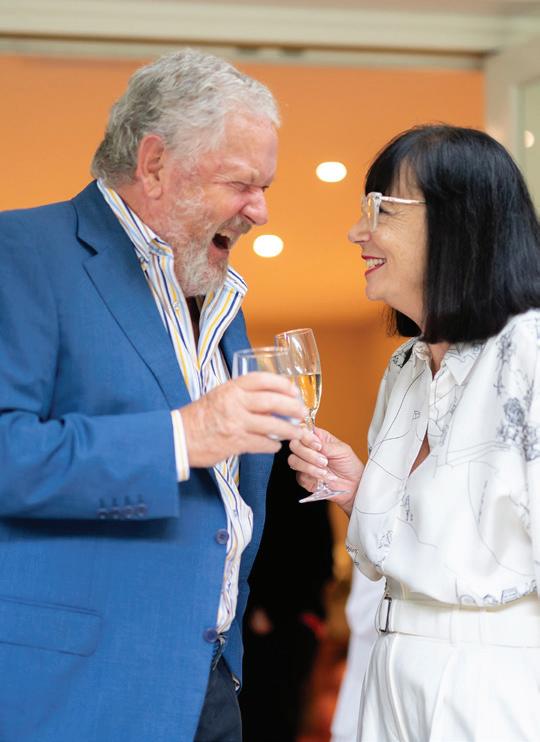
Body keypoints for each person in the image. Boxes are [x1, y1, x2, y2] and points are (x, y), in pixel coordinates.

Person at [0, 49, 306, 742]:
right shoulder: (20, 251)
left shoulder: (217, 292)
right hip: (73, 696)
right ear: (156, 163)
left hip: (208, 687)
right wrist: (181, 437)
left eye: (264, 187)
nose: (261, 210)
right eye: (242, 183)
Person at [289, 124, 540, 741]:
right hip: (393, 669)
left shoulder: (529, 351)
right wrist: (360, 492)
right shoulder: (406, 368)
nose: (357, 231)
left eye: (381, 209)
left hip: (493, 681)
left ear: (460, 221)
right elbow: (429, 544)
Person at [239, 444, 334, 742]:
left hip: (275, 622)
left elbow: (311, 552)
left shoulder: (284, 460)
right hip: (269, 617)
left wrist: (269, 609)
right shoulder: (268, 453)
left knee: (265, 720)